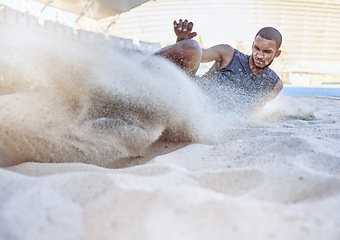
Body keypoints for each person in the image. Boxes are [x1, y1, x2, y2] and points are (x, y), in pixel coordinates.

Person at [155, 19, 283, 111]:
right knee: (192, 46)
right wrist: (182, 41)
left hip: (212, 117)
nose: (260, 55)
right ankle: (141, 72)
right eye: (257, 48)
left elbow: (253, 112)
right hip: (191, 96)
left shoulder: (274, 83)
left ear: (276, 54)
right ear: (252, 45)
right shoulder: (228, 54)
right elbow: (194, 55)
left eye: (267, 52)